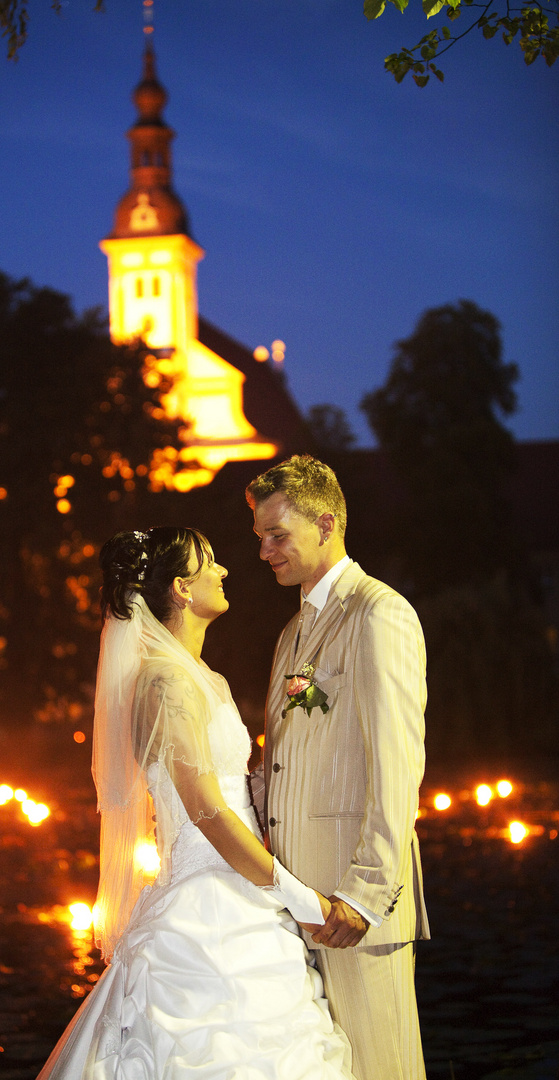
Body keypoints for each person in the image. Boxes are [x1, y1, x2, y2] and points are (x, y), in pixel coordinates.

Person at [37, 526, 356, 1080]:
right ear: (183, 590)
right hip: (205, 904)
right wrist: (303, 899)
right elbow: (206, 812)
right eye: (210, 562)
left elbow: (241, 790)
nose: (224, 571)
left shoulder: (204, 678)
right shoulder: (165, 684)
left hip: (242, 883)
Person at [246, 456, 430, 1080]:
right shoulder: (292, 631)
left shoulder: (379, 613)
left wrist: (366, 894)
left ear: (326, 524)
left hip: (354, 909)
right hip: (299, 903)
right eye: (260, 538)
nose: (265, 551)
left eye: (278, 536)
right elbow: (286, 766)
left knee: (385, 1069)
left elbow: (398, 765)